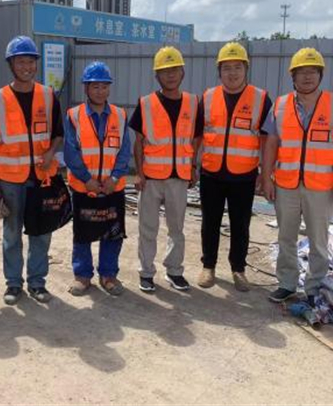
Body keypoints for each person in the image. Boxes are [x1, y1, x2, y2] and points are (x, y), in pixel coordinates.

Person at [261, 48, 333, 304]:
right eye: (301, 72)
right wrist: (266, 178)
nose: (307, 77)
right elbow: (271, 143)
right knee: (286, 237)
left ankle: (314, 287)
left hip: (321, 187)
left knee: (318, 240)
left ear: (320, 75)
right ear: (292, 76)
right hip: (286, 185)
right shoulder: (280, 105)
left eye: (312, 71)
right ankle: (287, 284)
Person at [0, 36, 63, 305]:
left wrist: (50, 153)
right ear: (11, 65)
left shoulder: (49, 96)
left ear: (36, 64)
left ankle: (37, 283)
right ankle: (14, 283)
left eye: (31, 61)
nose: (26, 67)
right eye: (20, 62)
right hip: (10, 179)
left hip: (42, 177)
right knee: (12, 233)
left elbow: (58, 133)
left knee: (41, 232)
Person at [196, 42, 272, 291]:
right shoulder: (208, 97)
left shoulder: (261, 99)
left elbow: (267, 140)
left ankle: (238, 269)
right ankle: (208, 266)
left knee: (241, 225)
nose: (232, 73)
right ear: (219, 71)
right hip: (212, 173)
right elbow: (198, 135)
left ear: (246, 69)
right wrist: (192, 166)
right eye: (226, 67)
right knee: (210, 223)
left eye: (237, 67)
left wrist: (265, 174)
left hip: (244, 175)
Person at [128, 46, 200, 293]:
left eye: (175, 70)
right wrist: (139, 173)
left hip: (179, 177)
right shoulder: (146, 103)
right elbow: (138, 142)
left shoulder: (193, 103)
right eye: (164, 71)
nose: (170, 75)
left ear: (182, 73)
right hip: (150, 178)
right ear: (156, 75)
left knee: (176, 229)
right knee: (148, 228)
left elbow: (196, 138)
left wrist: (193, 166)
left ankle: (174, 271)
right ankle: (146, 272)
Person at [64, 61, 131, 297]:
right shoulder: (74, 116)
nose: (100, 91)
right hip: (85, 188)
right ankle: (82, 276)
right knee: (83, 233)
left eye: (104, 86)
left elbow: (124, 150)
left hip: (113, 188)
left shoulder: (120, 115)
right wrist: (86, 179)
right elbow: (71, 152)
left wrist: (114, 177)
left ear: (109, 88)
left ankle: (109, 275)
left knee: (112, 232)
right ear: (86, 88)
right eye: (95, 86)